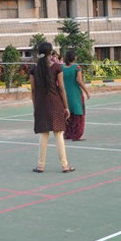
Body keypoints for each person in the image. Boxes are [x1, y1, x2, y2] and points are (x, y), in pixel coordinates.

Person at [30, 42, 75, 173]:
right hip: (55, 102)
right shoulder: (56, 67)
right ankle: (65, 165)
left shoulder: (34, 69)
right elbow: (61, 88)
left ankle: (40, 165)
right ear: (51, 53)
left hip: (41, 103)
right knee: (59, 133)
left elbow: (33, 90)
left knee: (43, 134)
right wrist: (66, 106)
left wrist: (35, 106)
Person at [62, 49, 90, 141]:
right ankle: (76, 135)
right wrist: (86, 91)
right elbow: (79, 80)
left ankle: (68, 134)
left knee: (68, 112)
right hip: (75, 93)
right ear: (73, 57)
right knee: (78, 113)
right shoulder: (76, 67)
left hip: (66, 94)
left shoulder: (62, 68)